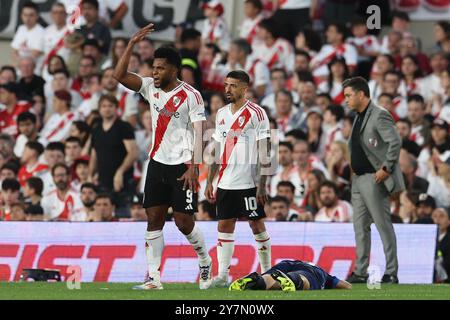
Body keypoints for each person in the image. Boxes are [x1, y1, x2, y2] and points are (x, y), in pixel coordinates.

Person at [113, 23, 212, 290]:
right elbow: (119, 75)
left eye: (159, 68)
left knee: (183, 222)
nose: (154, 72)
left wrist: (195, 166)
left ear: (174, 69)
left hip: (182, 165)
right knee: (154, 218)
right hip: (157, 163)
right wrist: (131, 44)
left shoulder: (192, 96)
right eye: (153, 68)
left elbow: (201, 131)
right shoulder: (149, 87)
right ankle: (154, 278)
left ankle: (204, 260)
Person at [204, 70, 272, 288]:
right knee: (224, 225)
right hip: (225, 182)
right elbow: (216, 150)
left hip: (248, 183)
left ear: (244, 88)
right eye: (226, 85)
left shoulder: (257, 113)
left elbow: (265, 151)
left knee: (256, 224)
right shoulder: (222, 114)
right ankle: (223, 276)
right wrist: (209, 182)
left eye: (233, 85)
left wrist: (262, 185)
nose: (227, 89)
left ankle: (267, 272)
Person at [343, 77, 405, 284]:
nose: (346, 100)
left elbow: (394, 142)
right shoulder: (359, 116)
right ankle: (361, 271)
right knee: (360, 226)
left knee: (382, 224)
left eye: (349, 96)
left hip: (374, 178)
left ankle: (391, 271)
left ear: (361, 94)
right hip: (359, 179)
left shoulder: (380, 115)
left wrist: (386, 168)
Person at [89, 94, 139, 215]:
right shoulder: (96, 129)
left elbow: (133, 153)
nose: (107, 109)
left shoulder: (124, 127)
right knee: (102, 219)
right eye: (104, 106)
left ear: (116, 108)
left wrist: (120, 172)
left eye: (110, 106)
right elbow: (94, 154)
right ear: (99, 109)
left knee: (124, 218)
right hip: (103, 183)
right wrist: (90, 175)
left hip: (123, 183)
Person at [229, 259, 352, 292]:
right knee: (303, 280)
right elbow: (346, 286)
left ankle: (255, 280)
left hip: (286, 263)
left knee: (271, 278)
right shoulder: (324, 274)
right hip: (311, 272)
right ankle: (291, 279)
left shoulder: (295, 262)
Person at [10, 2, 45, 71]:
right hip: (19, 69)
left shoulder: (42, 32)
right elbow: (14, 51)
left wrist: (18, 63)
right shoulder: (21, 29)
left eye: (31, 15)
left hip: (33, 71)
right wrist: (16, 64)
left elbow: (35, 54)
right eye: (25, 15)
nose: (27, 18)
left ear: (37, 16)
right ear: (21, 15)